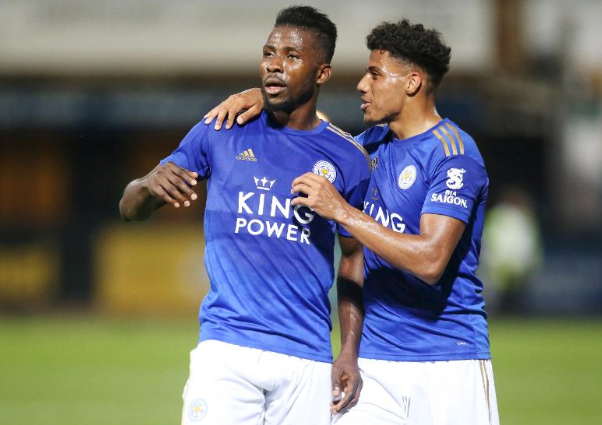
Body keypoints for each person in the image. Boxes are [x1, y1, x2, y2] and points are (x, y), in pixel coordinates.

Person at [205, 19, 500, 425]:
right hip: (374, 364)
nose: (362, 85)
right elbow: (310, 128)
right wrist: (265, 94)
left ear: (412, 83)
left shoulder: (453, 154)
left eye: (375, 74)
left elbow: (431, 260)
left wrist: (343, 211)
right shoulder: (364, 150)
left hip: (448, 360)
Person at [119, 6, 370, 425]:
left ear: (322, 73)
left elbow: (354, 256)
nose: (274, 65)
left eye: (291, 56)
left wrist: (348, 350)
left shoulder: (348, 158)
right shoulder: (222, 128)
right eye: (269, 53)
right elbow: (130, 209)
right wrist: (146, 185)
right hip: (227, 349)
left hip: (306, 355)